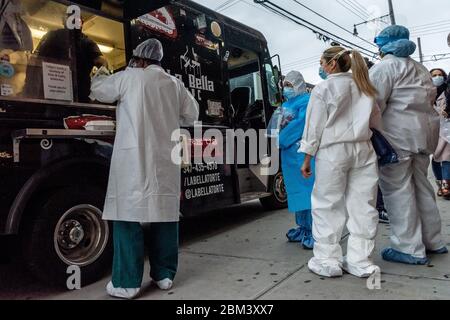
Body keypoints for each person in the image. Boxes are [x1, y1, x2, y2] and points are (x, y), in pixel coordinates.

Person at [89, 38, 199, 299]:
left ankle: (126, 283)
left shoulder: (129, 77)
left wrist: (101, 69)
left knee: (127, 216)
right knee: (165, 216)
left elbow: (100, 90)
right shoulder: (175, 84)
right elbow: (191, 114)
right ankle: (164, 275)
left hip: (134, 160)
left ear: (139, 59)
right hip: (165, 161)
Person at [300, 46, 381, 278]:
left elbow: (314, 128)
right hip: (364, 149)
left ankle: (328, 260)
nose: (321, 67)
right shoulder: (365, 88)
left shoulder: (323, 88)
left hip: (333, 151)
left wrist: (307, 157)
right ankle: (361, 261)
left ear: (332, 64)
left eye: (322, 62)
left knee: (328, 204)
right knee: (363, 205)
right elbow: (376, 121)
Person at [369, 25, 448, 266]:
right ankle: (433, 241)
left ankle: (409, 248)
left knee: (398, 192)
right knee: (422, 188)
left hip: (396, 141)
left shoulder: (384, 68)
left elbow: (373, 106)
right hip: (424, 138)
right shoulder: (420, 68)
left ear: (383, 44)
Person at [23, 13, 106, 102]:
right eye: (71, 20)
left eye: (76, 20)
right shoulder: (53, 36)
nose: (74, 22)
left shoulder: (87, 43)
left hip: (57, 93)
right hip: (61, 93)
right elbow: (102, 63)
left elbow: (35, 60)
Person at [278, 71, 314, 250]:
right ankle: (303, 226)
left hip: (301, 153)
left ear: (299, 84)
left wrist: (280, 138)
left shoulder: (307, 101)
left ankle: (313, 230)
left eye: (290, 85)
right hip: (289, 155)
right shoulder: (287, 104)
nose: (286, 89)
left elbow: (299, 125)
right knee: (296, 192)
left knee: (307, 192)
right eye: (285, 85)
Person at [430, 68, 450, 199]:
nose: (437, 77)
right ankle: (440, 182)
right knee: (436, 158)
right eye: (434, 75)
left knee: (447, 157)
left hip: (447, 130)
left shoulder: (448, 91)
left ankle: (446, 186)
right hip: (432, 130)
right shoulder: (426, 92)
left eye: (440, 75)